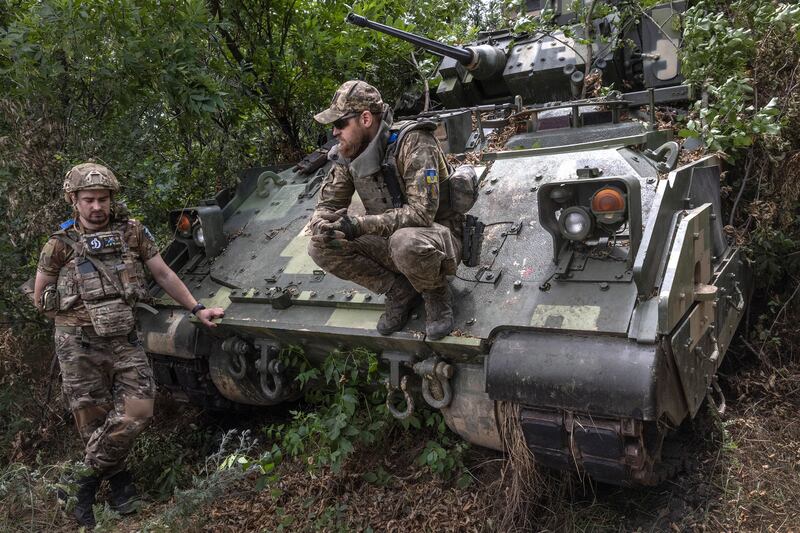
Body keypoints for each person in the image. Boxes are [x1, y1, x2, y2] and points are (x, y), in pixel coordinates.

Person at [33, 162, 224, 527]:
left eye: (103, 199)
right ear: (74, 200)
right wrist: (72, 318)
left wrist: (197, 308)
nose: (97, 207)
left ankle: (81, 482)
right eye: (88, 199)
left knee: (138, 411)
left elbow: (163, 273)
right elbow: (41, 294)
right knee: (92, 419)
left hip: (123, 338)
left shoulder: (133, 232)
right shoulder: (59, 245)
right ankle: (120, 485)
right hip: (78, 342)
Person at [307, 80, 462, 340]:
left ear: (365, 118)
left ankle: (436, 293)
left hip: (437, 239)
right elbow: (328, 205)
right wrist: (322, 224)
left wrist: (358, 225)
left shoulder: (414, 142)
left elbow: (422, 214)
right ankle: (399, 290)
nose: (334, 132)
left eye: (340, 124)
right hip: (388, 239)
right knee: (319, 245)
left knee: (405, 242)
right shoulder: (349, 154)